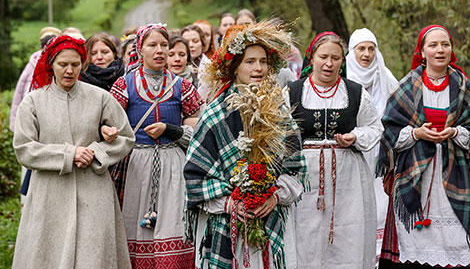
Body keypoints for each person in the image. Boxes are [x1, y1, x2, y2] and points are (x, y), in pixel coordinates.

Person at [184, 21, 309, 269]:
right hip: (227, 222)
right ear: (235, 67)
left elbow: (295, 168)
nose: (258, 68)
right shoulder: (214, 115)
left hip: (271, 215)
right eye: (250, 61)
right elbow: (195, 177)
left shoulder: (279, 112)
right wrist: (231, 203)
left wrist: (274, 195)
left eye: (263, 61)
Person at [12, 35, 135, 269]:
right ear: (50, 65)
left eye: (75, 65)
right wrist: (69, 154)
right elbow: (24, 149)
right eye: (63, 64)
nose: (69, 70)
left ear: (83, 64)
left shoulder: (100, 97)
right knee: (48, 255)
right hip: (49, 194)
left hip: (94, 192)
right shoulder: (33, 102)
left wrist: (97, 150)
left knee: (94, 256)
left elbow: (126, 137)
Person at [110, 23, 204, 269]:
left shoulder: (181, 86)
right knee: (133, 223)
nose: (160, 51)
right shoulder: (124, 85)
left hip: (173, 165)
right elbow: (109, 123)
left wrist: (173, 131)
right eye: (152, 45)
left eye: (164, 45)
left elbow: (199, 128)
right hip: (135, 167)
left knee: (172, 223)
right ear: (140, 49)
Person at [378, 25, 470, 268]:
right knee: (416, 250)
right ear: (422, 51)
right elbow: (389, 132)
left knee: (456, 244)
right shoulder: (407, 86)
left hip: (456, 174)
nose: (440, 50)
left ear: (452, 49)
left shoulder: (464, 87)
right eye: (433, 45)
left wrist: (456, 132)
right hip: (417, 174)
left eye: (445, 44)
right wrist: (417, 133)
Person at [290, 32, 383, 269]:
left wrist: (355, 136)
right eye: (323, 57)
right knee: (306, 234)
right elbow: (279, 132)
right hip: (304, 178)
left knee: (347, 233)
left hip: (348, 180)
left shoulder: (355, 92)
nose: (329, 64)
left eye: (335, 58)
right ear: (311, 58)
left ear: (343, 60)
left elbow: (374, 127)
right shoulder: (292, 92)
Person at [345, 28, 398, 265]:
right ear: (351, 51)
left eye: (371, 49)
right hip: (350, 150)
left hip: (380, 154)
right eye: (361, 49)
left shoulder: (385, 76)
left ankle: (377, 256)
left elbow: (398, 111)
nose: (366, 54)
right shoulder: (343, 74)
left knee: (379, 205)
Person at [10, 26, 61, 132]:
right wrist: (14, 122)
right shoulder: (32, 63)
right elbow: (19, 93)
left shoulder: (60, 65)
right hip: (29, 112)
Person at [181, 24, 211, 98]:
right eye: (187, 42)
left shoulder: (211, 66)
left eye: (195, 41)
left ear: (202, 43)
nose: (191, 45)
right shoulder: (174, 65)